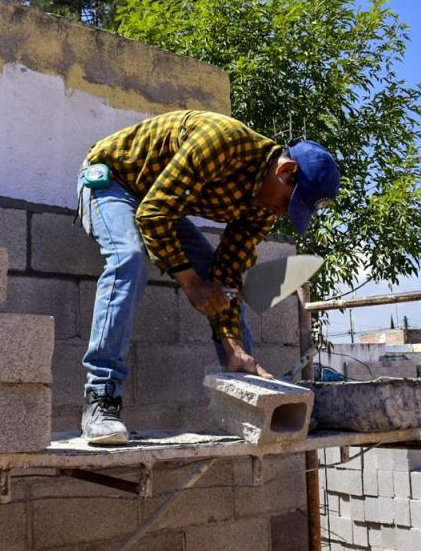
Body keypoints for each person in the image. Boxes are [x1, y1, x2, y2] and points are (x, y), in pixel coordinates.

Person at [75, 110, 340, 445]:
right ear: (286, 171)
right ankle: (100, 399)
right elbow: (153, 215)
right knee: (128, 256)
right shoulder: (222, 142)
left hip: (156, 201)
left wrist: (232, 343)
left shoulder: (262, 210)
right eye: (289, 203)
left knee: (226, 288)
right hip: (112, 182)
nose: (282, 213)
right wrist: (191, 283)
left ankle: (247, 392)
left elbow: (227, 270)